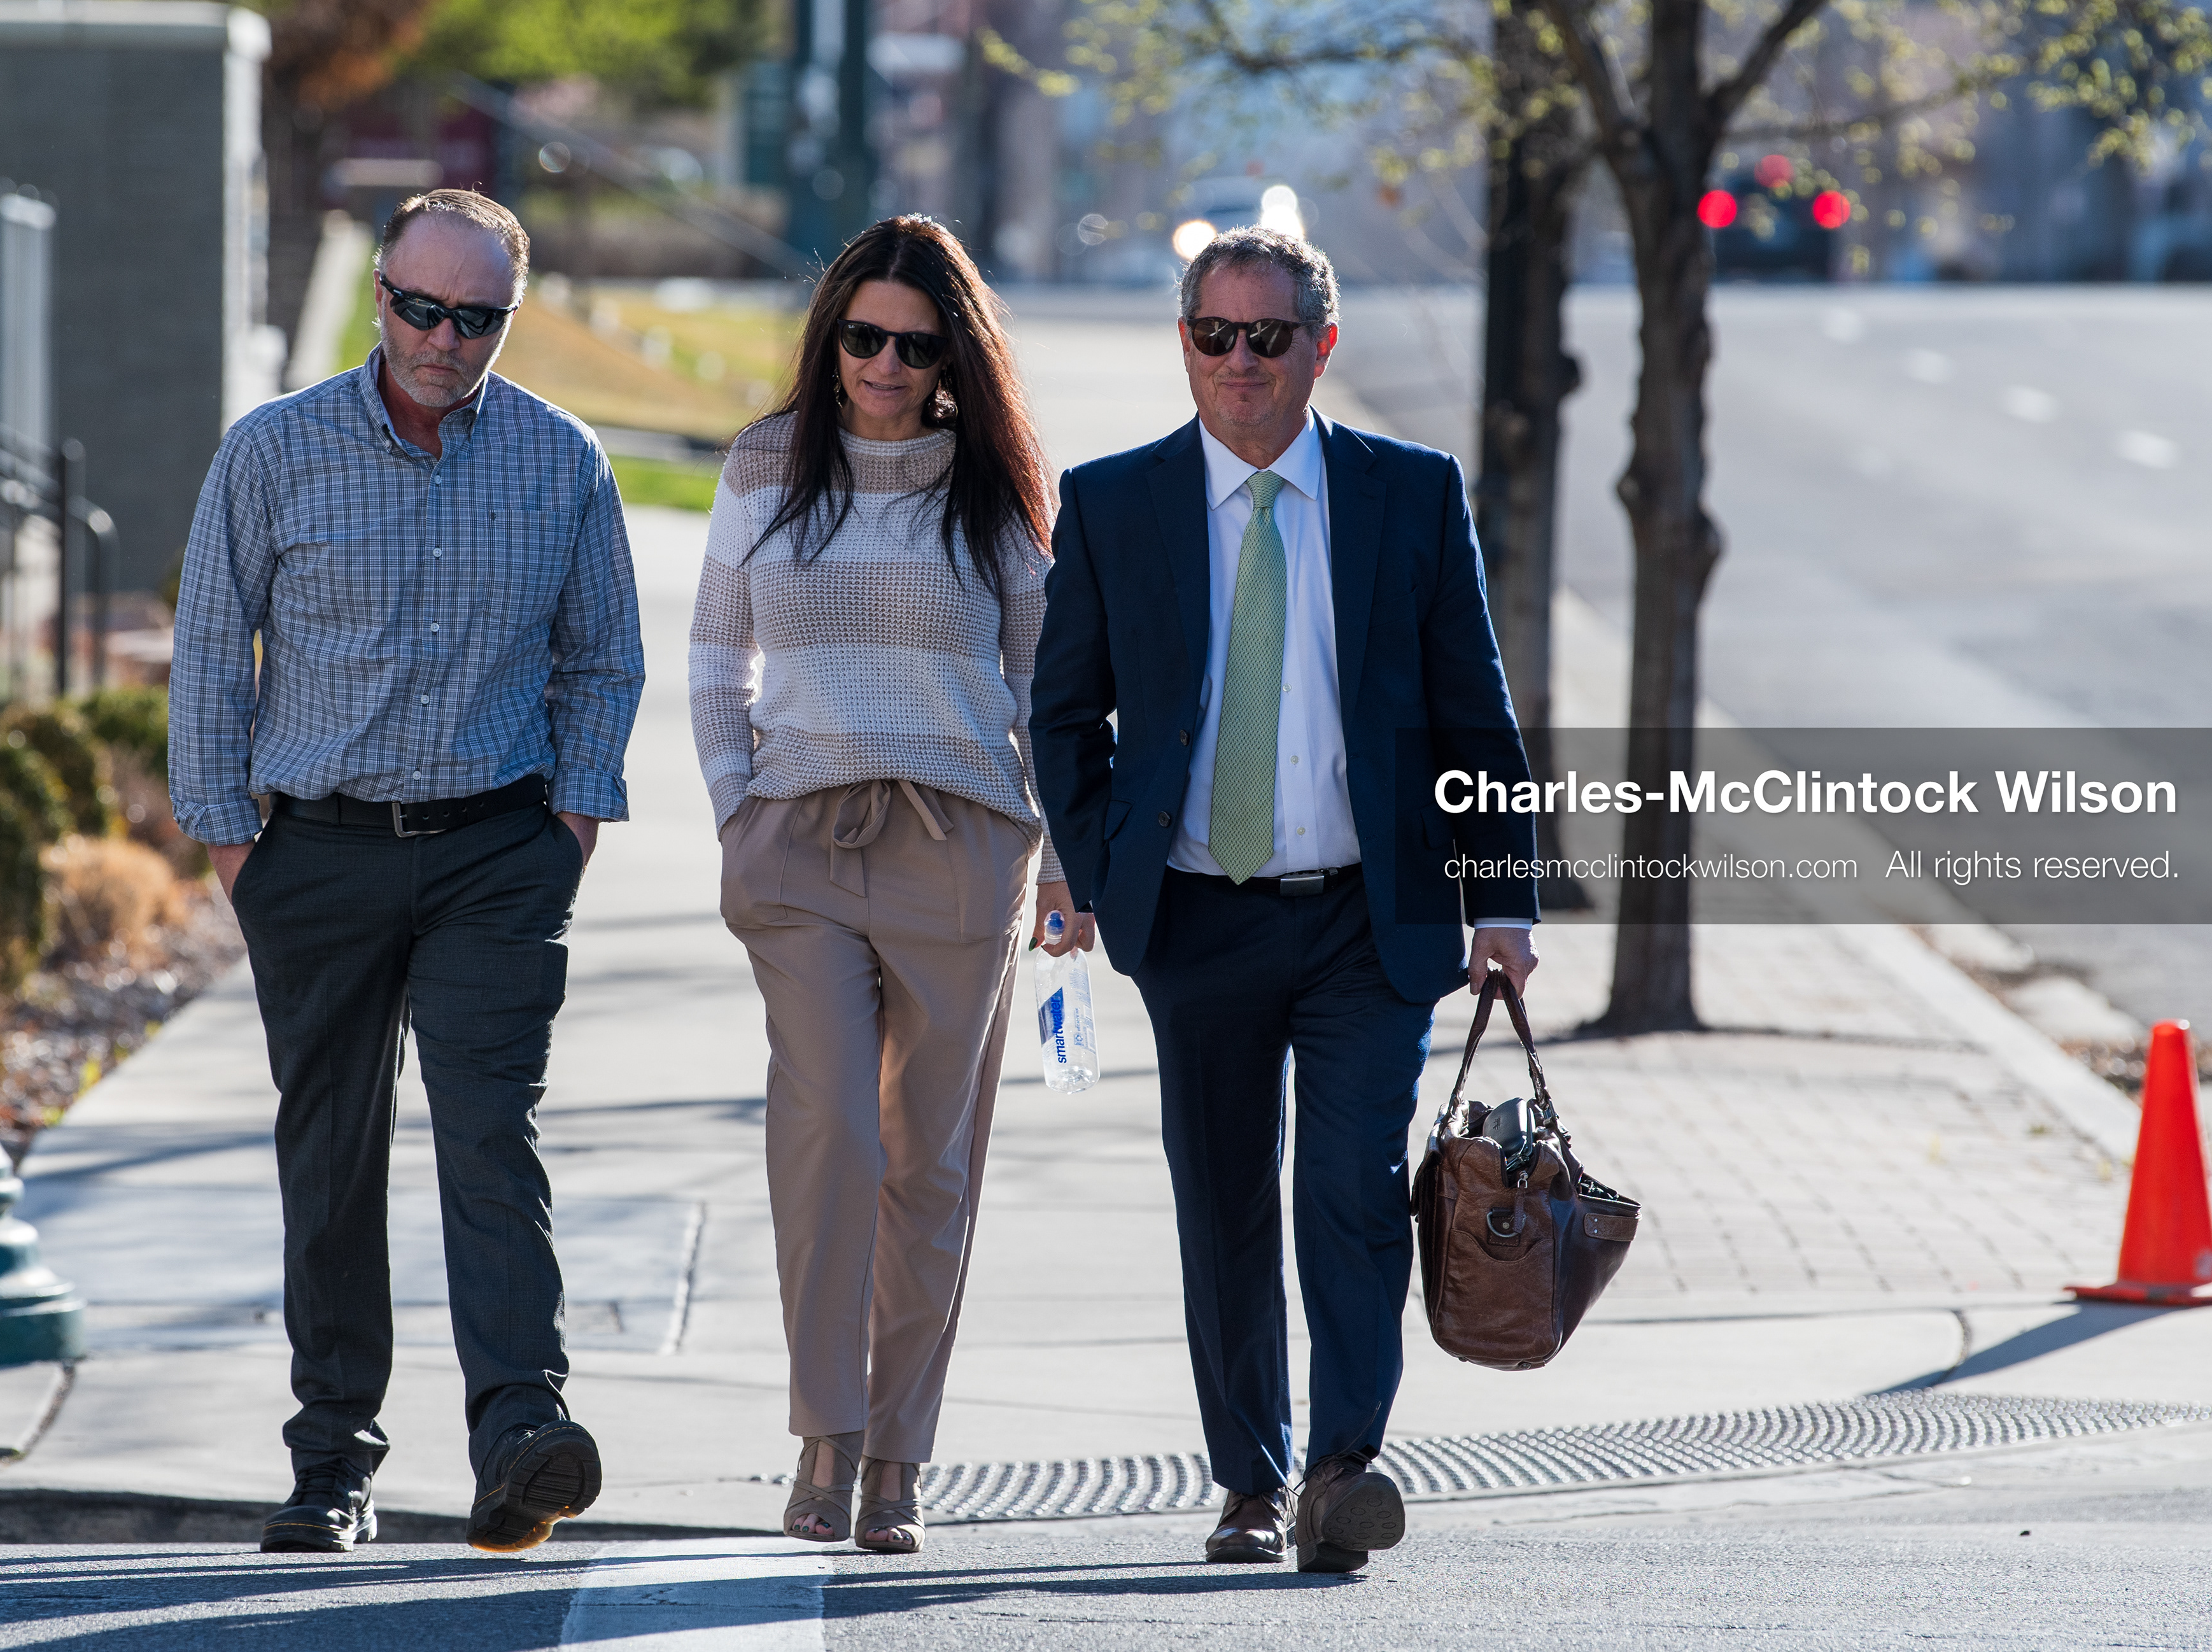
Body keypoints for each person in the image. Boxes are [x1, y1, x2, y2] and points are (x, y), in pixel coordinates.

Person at [1030, 227, 1539, 1574]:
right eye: (1217, 335)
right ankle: (1247, 1480)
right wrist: (1091, 867)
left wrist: (1507, 896)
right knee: (1224, 1203)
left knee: (1355, 1195)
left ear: (1324, 345)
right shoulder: (1116, 502)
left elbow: (1472, 710)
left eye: (1270, 337)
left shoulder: (1411, 495)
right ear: (1185, 343)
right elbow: (1063, 712)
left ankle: (1342, 1467)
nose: (1243, 362)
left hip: (1371, 916)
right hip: (1195, 916)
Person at [170, 188, 644, 1556]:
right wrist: (234, 843)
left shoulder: (562, 460)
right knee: (332, 1155)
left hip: (499, 850)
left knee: (491, 1132)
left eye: (477, 316)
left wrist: (570, 825)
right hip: (310, 852)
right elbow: (212, 652)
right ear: (381, 294)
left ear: (507, 316)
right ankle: (332, 1464)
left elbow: (604, 659)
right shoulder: (273, 452)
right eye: (421, 306)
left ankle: (521, 1436)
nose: (444, 338)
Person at [689, 215, 1081, 1555]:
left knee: (931, 1161)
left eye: (914, 347)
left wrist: (1064, 866)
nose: (883, 365)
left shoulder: (1000, 488)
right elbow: (712, 658)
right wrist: (739, 814)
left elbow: (1047, 691)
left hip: (961, 840)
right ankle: (825, 1430)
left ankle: (898, 1458)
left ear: (950, 357)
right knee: (829, 1141)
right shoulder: (766, 462)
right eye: (862, 336)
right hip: (799, 841)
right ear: (832, 335)